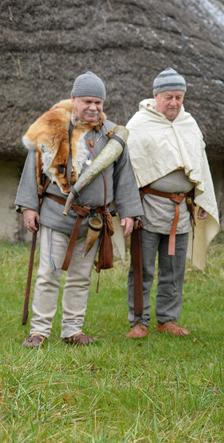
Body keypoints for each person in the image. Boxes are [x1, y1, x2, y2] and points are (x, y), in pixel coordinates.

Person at [16, 71, 143, 348]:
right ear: (74, 99)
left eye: (98, 102)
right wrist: (28, 207)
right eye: (87, 101)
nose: (93, 107)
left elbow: (124, 176)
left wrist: (130, 212)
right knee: (48, 274)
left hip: (93, 221)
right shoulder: (53, 128)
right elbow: (32, 167)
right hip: (56, 215)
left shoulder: (111, 135)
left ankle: (72, 330)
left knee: (80, 277)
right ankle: (39, 331)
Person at [124, 67, 220, 338]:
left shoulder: (189, 123)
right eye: (169, 97)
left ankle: (167, 318)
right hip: (148, 209)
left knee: (174, 269)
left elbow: (200, 166)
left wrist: (200, 199)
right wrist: (130, 209)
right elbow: (129, 171)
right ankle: (138, 321)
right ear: (156, 96)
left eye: (179, 97)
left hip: (181, 210)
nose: (175, 103)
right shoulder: (139, 124)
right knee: (142, 268)